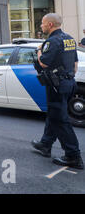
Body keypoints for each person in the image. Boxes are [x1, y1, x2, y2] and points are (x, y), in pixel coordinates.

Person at [31, 13, 83, 169]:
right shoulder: (69, 39)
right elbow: (74, 63)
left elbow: (44, 63)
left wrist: (39, 50)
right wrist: (69, 79)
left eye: (42, 23)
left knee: (61, 120)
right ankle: (45, 144)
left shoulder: (52, 41)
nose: (41, 26)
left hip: (57, 85)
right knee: (55, 115)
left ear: (50, 25)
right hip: (68, 83)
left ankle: (73, 156)